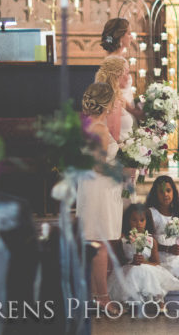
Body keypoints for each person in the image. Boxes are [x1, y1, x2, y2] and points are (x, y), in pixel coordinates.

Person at [75, 82, 124, 309]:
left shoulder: (87, 125)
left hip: (90, 188)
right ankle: (103, 298)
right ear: (107, 104)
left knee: (95, 242)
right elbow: (99, 166)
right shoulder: (100, 130)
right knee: (100, 243)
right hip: (100, 189)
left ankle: (96, 294)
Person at [108, 203, 179, 306]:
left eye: (142, 220)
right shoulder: (123, 240)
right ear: (127, 221)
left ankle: (158, 300)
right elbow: (119, 261)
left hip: (148, 268)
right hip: (128, 268)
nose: (138, 223)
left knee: (145, 270)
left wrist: (144, 262)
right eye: (134, 220)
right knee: (134, 270)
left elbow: (156, 262)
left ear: (147, 221)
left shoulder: (151, 240)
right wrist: (131, 262)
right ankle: (125, 300)